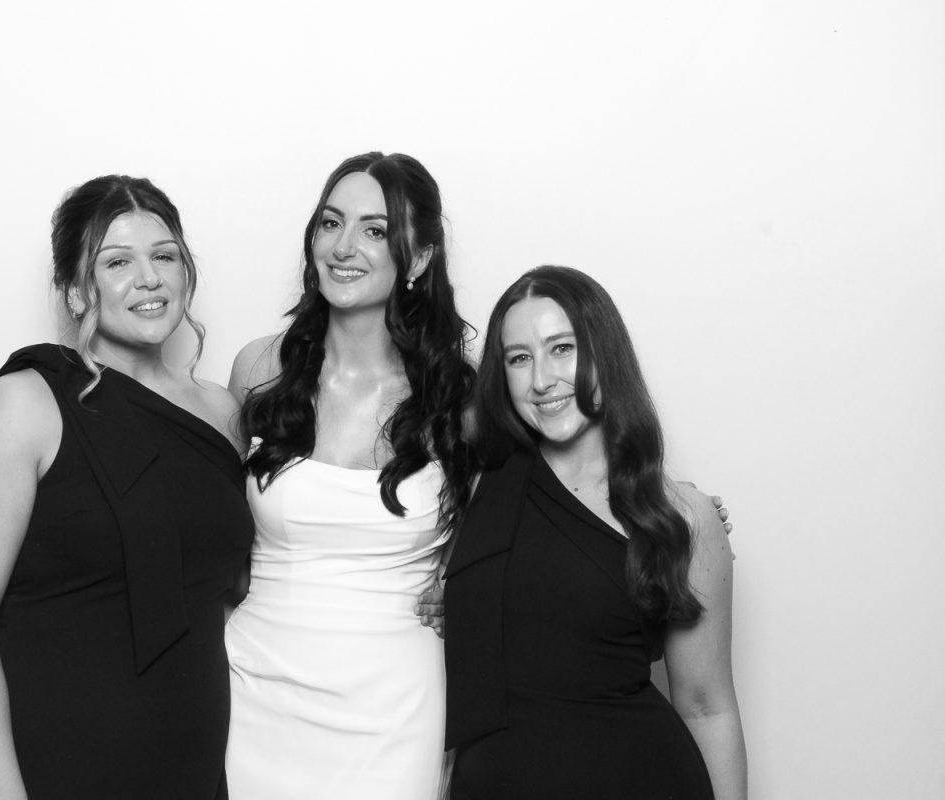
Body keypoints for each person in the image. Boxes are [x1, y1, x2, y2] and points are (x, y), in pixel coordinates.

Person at [0, 176, 253, 800]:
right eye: (118, 262)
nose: (150, 278)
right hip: (56, 765)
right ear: (77, 289)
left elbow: (241, 582)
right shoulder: (26, 403)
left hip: (192, 763)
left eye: (164, 256)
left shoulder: (223, 414)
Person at [224, 152, 475, 800]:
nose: (343, 246)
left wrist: (664, 497)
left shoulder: (461, 398)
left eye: (372, 229)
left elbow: (534, 509)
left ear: (418, 257)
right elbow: (204, 519)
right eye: (330, 223)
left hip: (397, 712)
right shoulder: (259, 368)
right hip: (254, 693)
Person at [444, 266, 746, 799]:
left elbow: (706, 705)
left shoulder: (682, 516)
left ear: (605, 352)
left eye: (562, 349)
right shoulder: (479, 478)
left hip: (637, 777)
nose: (541, 379)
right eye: (519, 358)